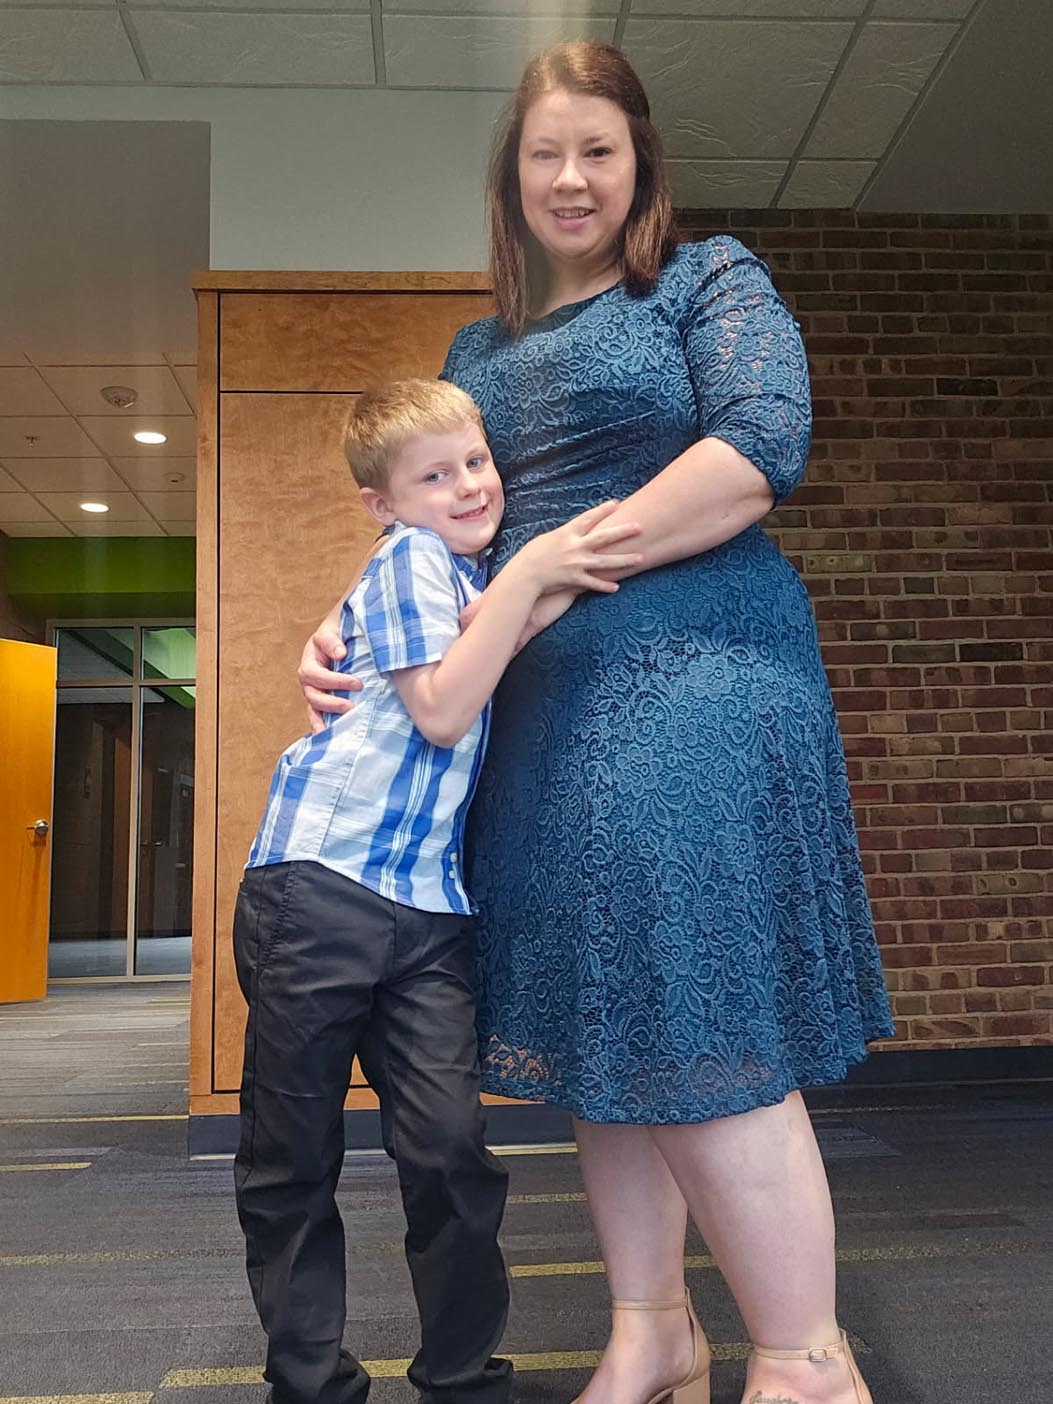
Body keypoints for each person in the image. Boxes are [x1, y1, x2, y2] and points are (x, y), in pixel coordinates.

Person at [299, 43, 895, 1404]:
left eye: (599, 151)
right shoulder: (476, 351)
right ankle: (651, 1331)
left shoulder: (706, 280)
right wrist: (343, 624)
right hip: (541, 710)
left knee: (690, 987)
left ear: (641, 164)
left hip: (700, 672)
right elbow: (440, 522)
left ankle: (806, 1358)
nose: (571, 178)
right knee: (602, 1008)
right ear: (511, 178)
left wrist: (555, 562)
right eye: (544, 154)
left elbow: (756, 452)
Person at [233, 377, 643, 1404]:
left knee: (452, 1151)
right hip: (318, 887)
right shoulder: (412, 557)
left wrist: (553, 573)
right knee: (293, 1154)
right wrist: (536, 571)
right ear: (383, 503)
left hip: (428, 907)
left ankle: (462, 1379)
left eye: (475, 461)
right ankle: (311, 1384)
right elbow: (443, 712)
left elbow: (524, 619)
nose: (467, 485)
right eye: (434, 475)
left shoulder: (470, 575)